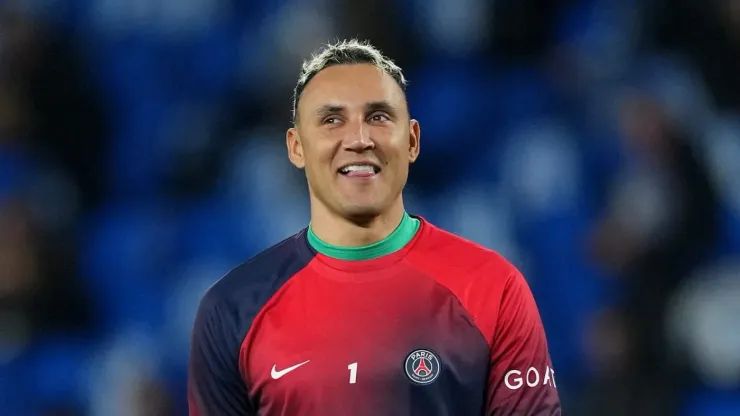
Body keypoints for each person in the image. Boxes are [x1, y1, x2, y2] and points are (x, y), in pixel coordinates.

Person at [188, 39, 561, 416]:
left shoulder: (493, 289)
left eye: (379, 117)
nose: (359, 139)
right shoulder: (232, 310)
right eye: (332, 120)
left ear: (412, 140)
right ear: (296, 147)